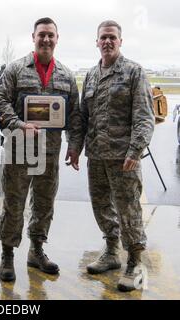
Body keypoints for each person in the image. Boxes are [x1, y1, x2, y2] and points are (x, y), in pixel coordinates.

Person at [0, 17, 83, 281]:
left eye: (50, 35)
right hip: (19, 150)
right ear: (33, 36)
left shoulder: (66, 75)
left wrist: (75, 145)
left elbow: (75, 113)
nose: (46, 39)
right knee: (14, 203)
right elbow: (0, 98)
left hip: (50, 152)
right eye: (41, 34)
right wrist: (17, 123)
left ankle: (36, 250)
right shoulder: (16, 69)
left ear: (57, 39)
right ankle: (8, 254)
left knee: (44, 203)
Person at [78, 20, 155, 292]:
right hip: (96, 156)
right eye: (103, 38)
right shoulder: (91, 75)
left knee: (128, 209)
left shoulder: (133, 72)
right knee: (101, 206)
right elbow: (82, 117)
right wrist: (75, 148)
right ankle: (111, 252)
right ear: (96, 42)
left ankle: (133, 261)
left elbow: (145, 117)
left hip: (124, 158)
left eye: (112, 37)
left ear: (120, 41)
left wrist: (135, 150)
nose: (107, 42)